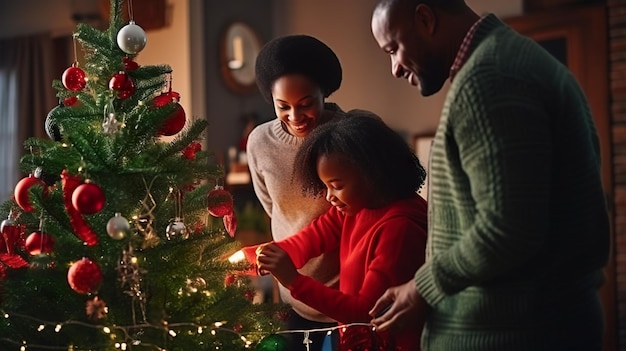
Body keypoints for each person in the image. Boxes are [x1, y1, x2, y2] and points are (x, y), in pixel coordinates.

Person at [368, 1, 611, 350]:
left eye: (394, 49)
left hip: (515, 334)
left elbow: (509, 229)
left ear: (425, 18)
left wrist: (423, 286)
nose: (394, 68)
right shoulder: (510, 60)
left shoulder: (490, 79)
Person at [245, 112, 427, 350]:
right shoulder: (355, 207)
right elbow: (308, 240)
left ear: (371, 174)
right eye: (325, 186)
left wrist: (294, 281)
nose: (329, 197)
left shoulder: (400, 229)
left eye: (337, 186)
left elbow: (365, 312)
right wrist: (243, 260)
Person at [246, 34, 345, 351]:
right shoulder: (260, 142)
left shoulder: (351, 135)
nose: (295, 116)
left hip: (349, 295)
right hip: (292, 296)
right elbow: (273, 208)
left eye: (306, 104)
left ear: (323, 93)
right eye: (282, 107)